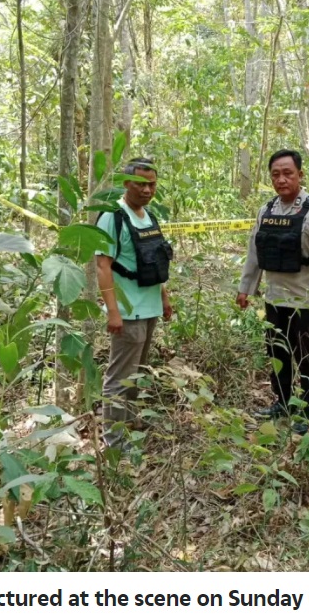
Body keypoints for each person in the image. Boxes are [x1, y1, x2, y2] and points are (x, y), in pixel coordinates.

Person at [237, 149, 309, 435]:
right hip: (275, 299)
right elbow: (254, 252)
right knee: (278, 354)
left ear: (300, 175)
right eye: (275, 175)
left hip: (307, 300)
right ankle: (282, 402)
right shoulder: (266, 210)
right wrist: (246, 288)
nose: (281, 180)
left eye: (287, 173)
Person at [95, 157, 173, 449]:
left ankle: (129, 423)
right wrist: (113, 312)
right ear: (126, 182)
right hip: (128, 312)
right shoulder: (113, 217)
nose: (147, 189)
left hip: (149, 305)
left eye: (152, 184)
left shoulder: (148, 216)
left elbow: (154, 260)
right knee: (120, 376)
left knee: (137, 372)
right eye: (141, 183)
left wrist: (164, 298)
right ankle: (114, 441)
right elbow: (103, 266)